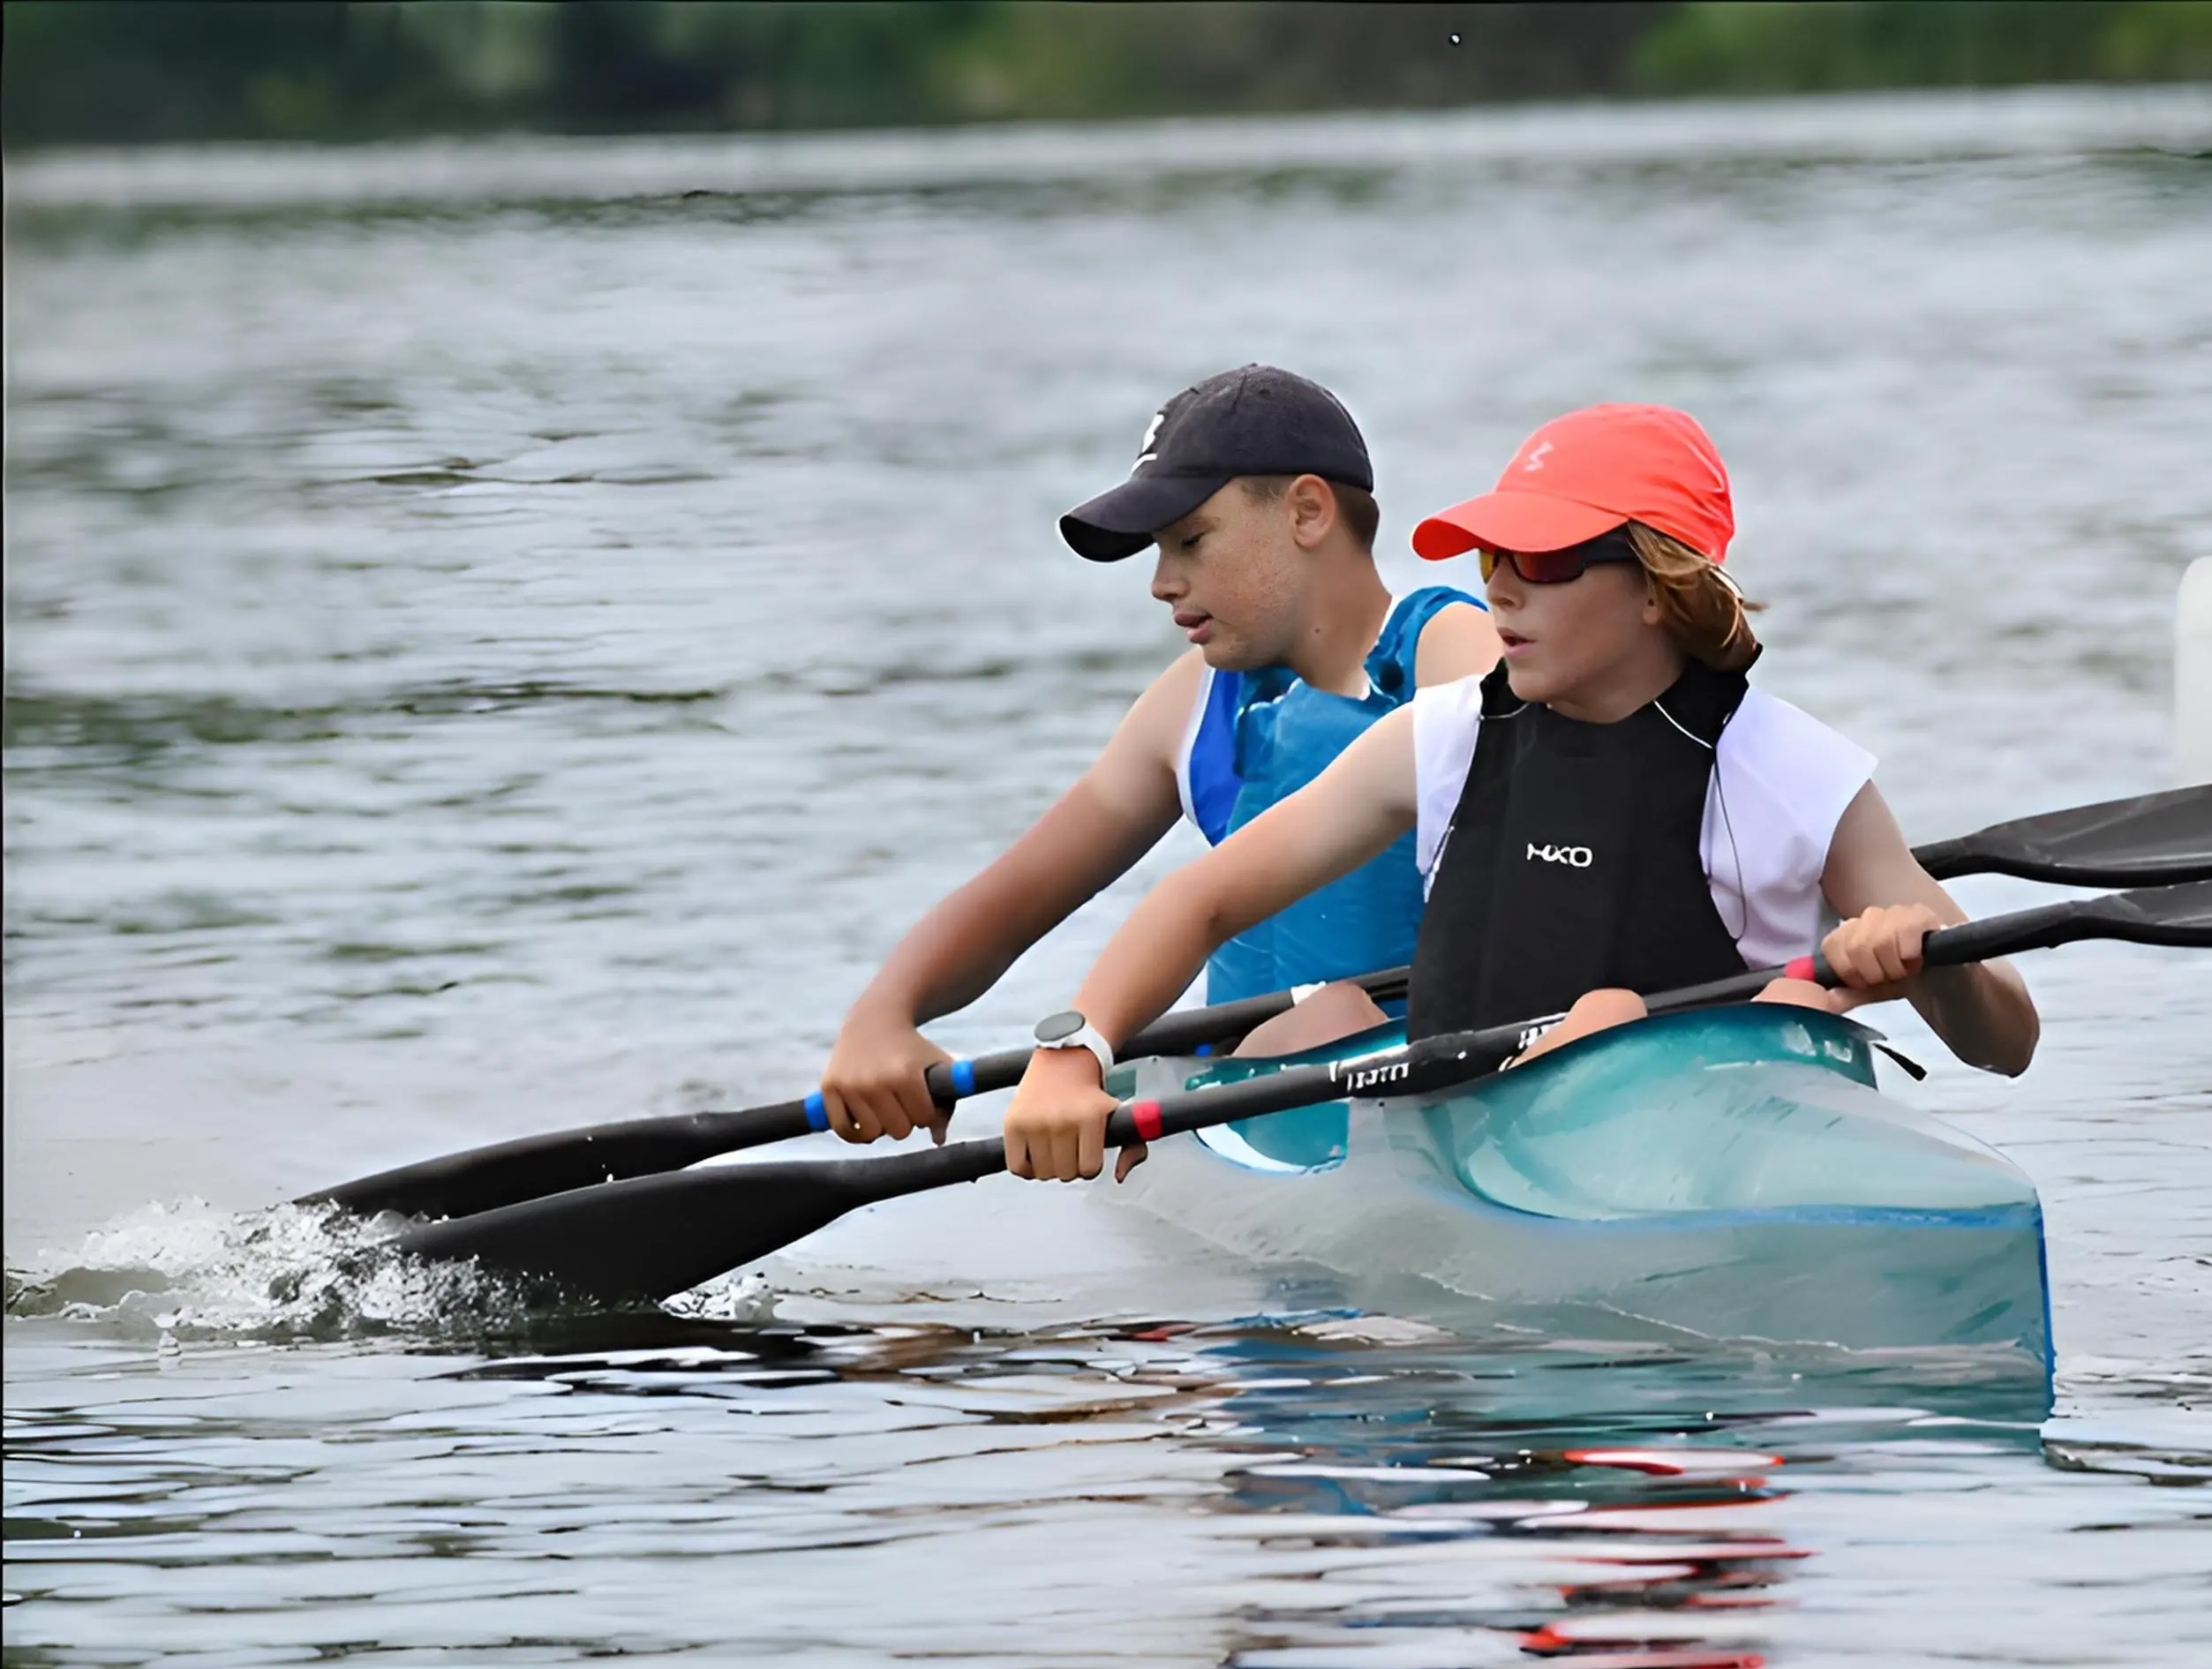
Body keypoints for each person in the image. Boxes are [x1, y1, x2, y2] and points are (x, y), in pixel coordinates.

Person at [1000, 402, 2038, 1184]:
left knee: (1654, 1010)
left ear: (1654, 583)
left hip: (1713, 1147)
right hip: (1472, 1141)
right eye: (1494, 554)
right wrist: (1073, 1049)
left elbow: (2008, 1041)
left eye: (1540, 561)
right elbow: (1203, 899)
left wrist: (1928, 967)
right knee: (1316, 1020)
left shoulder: (1796, 776)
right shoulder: (1445, 738)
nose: (1497, 586)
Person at [817, 365, 1502, 1145]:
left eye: (1191, 541)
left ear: (1307, 512)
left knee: (1333, 1017)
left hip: (1428, 1100)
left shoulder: (1451, 650)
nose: (1161, 582)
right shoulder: (1198, 702)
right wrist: (885, 1013)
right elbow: (1018, 896)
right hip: (1254, 1111)